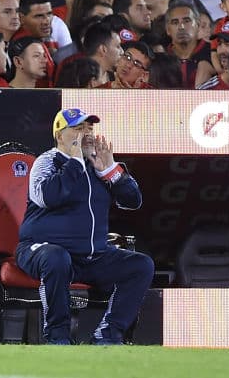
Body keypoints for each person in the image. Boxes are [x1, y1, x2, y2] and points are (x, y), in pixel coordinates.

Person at [16, 108, 154, 345]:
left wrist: (110, 170)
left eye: (89, 128)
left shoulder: (99, 165)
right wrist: (75, 162)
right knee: (56, 258)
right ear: (60, 136)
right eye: (78, 128)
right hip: (42, 249)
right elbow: (47, 196)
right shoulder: (47, 161)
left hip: (91, 256)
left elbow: (133, 201)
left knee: (141, 265)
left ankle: (107, 334)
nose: (86, 134)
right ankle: (57, 336)